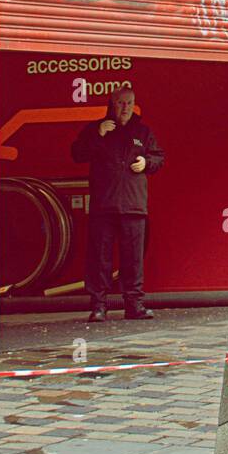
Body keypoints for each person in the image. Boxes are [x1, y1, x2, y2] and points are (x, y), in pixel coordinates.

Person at [71, 88, 165, 322]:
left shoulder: (143, 132)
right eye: (121, 103)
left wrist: (147, 161)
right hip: (103, 206)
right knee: (99, 258)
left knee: (133, 259)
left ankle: (134, 305)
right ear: (112, 104)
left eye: (129, 102)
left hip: (133, 206)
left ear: (134, 104)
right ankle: (99, 306)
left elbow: (159, 158)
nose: (125, 107)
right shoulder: (96, 129)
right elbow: (77, 154)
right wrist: (98, 134)